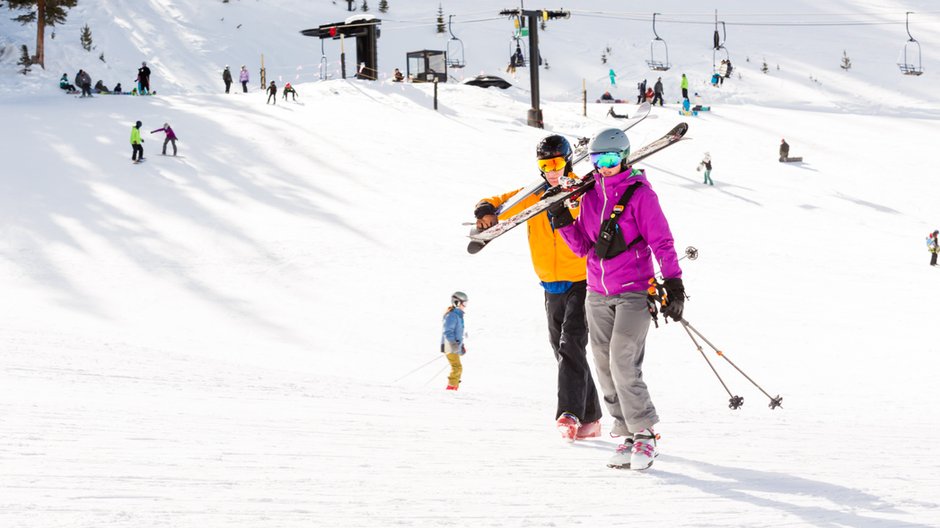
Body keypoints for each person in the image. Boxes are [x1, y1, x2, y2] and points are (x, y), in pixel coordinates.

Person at [550, 127, 685, 470]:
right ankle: (626, 433)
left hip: (634, 291)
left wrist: (674, 283)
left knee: (623, 361)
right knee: (602, 365)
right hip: (597, 293)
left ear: (624, 158)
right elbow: (583, 247)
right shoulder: (591, 195)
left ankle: (646, 435)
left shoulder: (641, 195)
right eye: (598, 160)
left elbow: (662, 242)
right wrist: (563, 219)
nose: (605, 166)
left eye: (610, 159)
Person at [473, 135, 603, 442]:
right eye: (546, 165)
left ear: (568, 161)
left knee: (571, 343)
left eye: (557, 163)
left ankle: (568, 413)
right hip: (550, 283)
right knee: (563, 350)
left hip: (582, 279)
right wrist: (485, 212)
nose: (552, 170)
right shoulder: (533, 195)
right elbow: (497, 202)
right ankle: (591, 418)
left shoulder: (581, 191)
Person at [441, 291, 468, 391]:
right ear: (456, 302)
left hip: (453, 346)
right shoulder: (451, 315)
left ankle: (453, 388)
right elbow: (448, 332)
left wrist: (461, 348)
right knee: (457, 367)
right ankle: (451, 389)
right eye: (463, 303)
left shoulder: (458, 315)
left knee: (457, 367)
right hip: (449, 345)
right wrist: (454, 345)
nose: (465, 306)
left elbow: (458, 335)